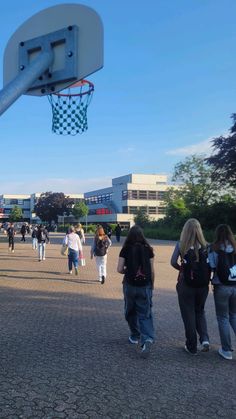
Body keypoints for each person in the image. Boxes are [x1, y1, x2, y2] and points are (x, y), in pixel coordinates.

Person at [170, 218, 210, 355]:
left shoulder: (181, 245)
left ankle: (191, 346)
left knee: (188, 314)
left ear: (185, 231)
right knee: (200, 311)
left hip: (186, 285)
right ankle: (205, 339)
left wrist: (183, 269)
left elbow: (172, 262)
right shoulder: (207, 246)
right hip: (203, 286)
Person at [117, 225, 155, 358]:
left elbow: (119, 269)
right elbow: (151, 270)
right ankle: (147, 340)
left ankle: (134, 335)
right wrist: (151, 285)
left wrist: (128, 271)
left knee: (130, 311)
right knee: (145, 314)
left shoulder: (125, 249)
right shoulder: (148, 249)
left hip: (129, 285)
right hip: (145, 285)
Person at [208, 224, 236, 361]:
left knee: (223, 318)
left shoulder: (214, 248)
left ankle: (226, 350)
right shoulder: (235, 247)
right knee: (234, 316)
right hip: (235, 285)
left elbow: (212, 266)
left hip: (221, 286)